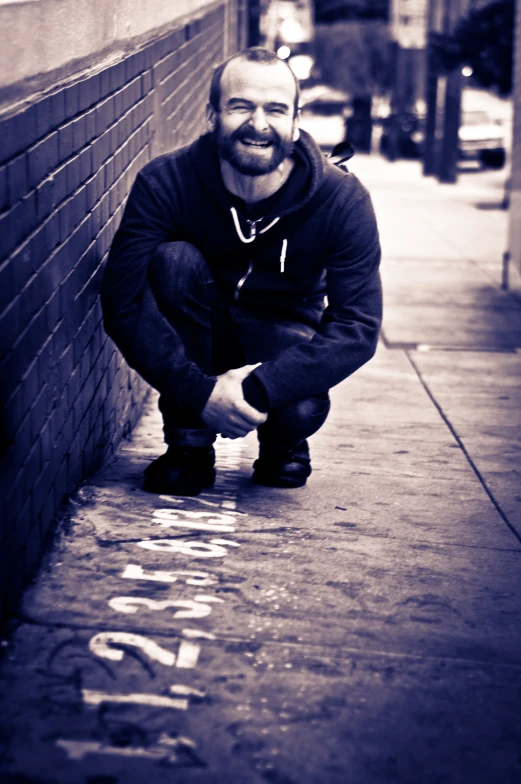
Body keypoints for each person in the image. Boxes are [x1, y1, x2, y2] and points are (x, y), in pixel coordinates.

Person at [101, 46, 382, 496]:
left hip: (283, 331)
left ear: (295, 117)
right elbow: (123, 301)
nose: (259, 124)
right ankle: (189, 447)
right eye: (240, 106)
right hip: (202, 325)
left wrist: (255, 391)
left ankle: (282, 444)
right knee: (173, 261)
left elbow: (358, 326)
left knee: (301, 406)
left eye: (275, 109)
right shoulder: (166, 182)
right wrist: (200, 395)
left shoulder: (341, 199)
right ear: (213, 113)